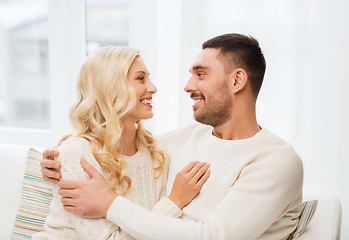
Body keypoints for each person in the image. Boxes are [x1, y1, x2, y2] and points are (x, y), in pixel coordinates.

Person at [41, 33, 303, 240]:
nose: (188, 86)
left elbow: (215, 236)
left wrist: (110, 204)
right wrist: (60, 160)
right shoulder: (175, 143)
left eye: (200, 74)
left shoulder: (276, 161)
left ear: (237, 81)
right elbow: (109, 147)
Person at [33, 46, 210, 240]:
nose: (153, 88)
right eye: (140, 78)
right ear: (110, 87)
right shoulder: (77, 152)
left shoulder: (154, 153)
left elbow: (148, 229)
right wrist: (174, 202)